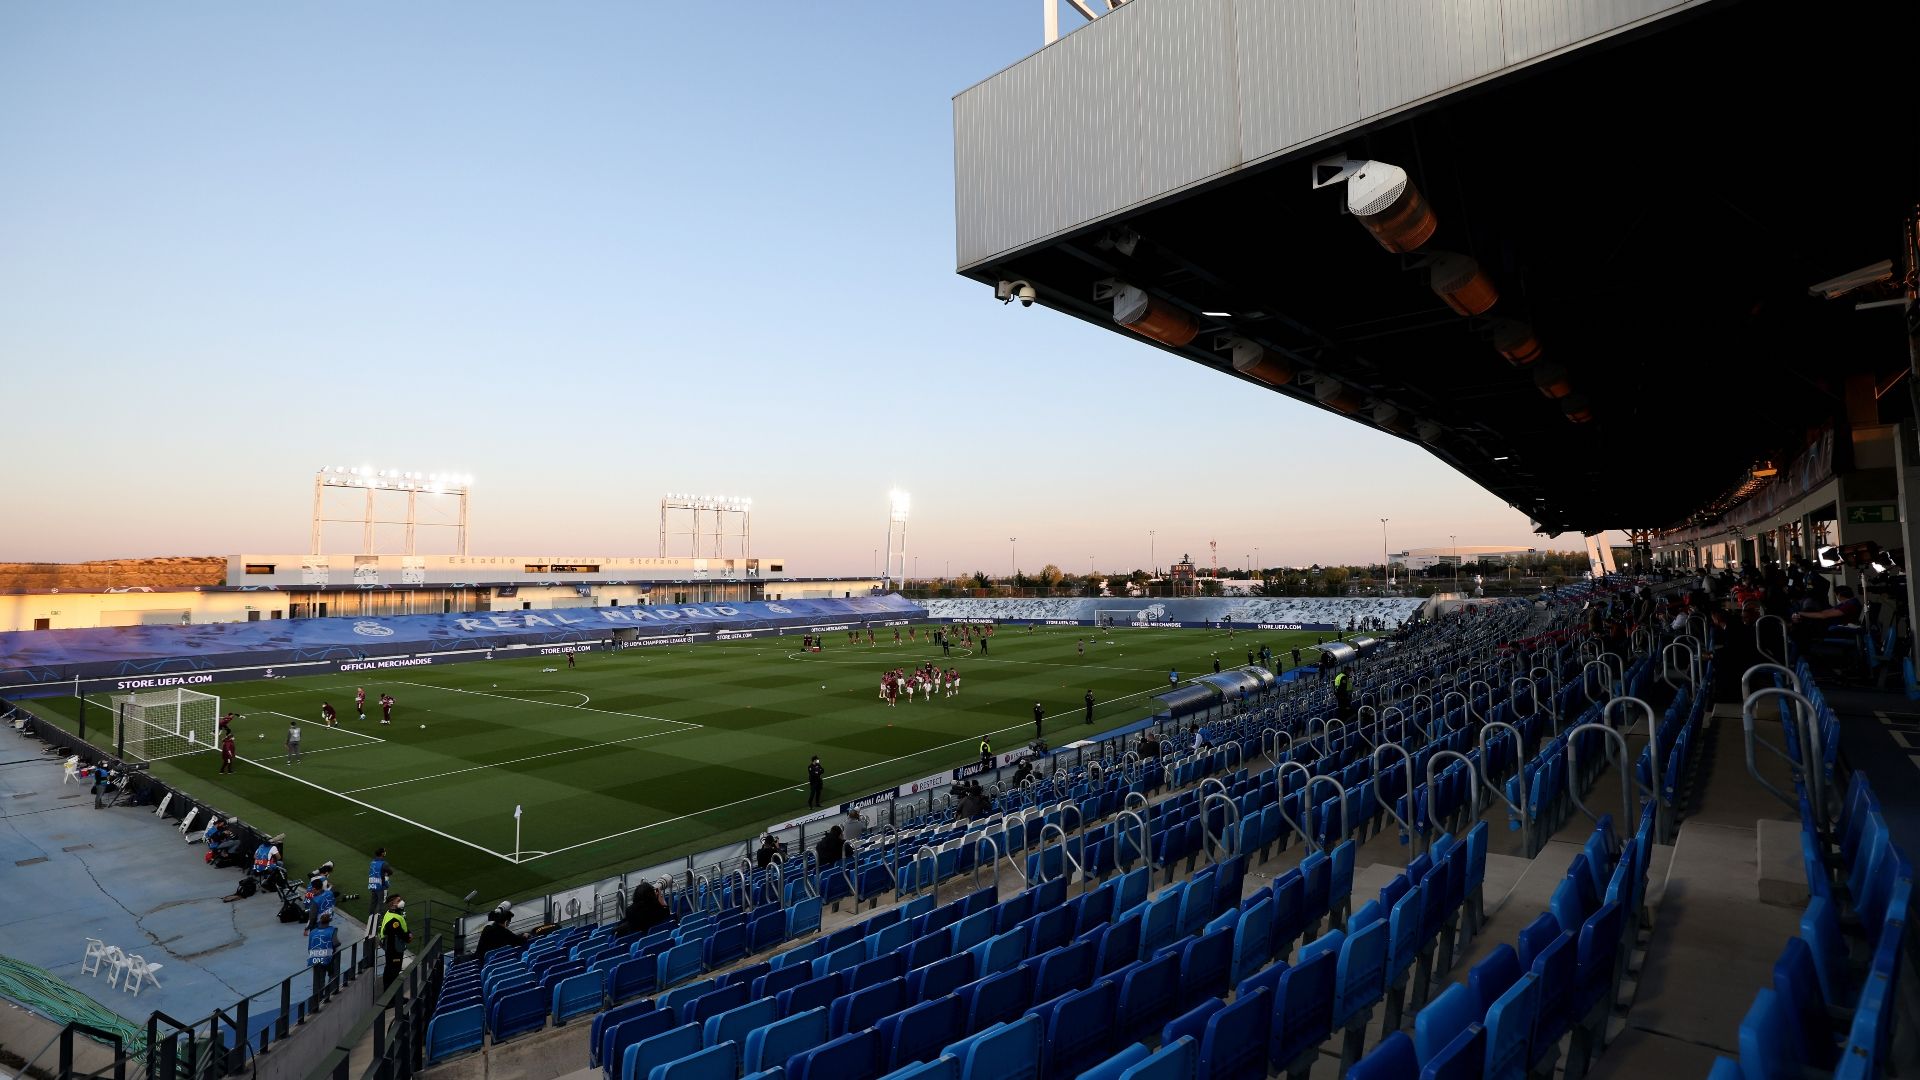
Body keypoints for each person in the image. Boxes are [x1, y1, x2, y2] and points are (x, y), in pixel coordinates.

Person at [307, 911, 338, 1003]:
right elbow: (336, 943)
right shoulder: (332, 930)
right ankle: (331, 992)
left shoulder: (313, 932)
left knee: (318, 979)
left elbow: (309, 947)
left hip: (314, 958)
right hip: (327, 958)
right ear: (329, 921)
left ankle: (317, 999)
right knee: (332, 974)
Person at [379, 897, 411, 989]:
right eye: (398, 901)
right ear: (392, 904)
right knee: (393, 971)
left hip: (392, 947)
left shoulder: (391, 914)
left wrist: (408, 933)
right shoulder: (393, 919)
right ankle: (392, 999)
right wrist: (408, 937)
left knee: (390, 970)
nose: (401, 902)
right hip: (394, 949)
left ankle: (392, 997)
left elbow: (402, 927)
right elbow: (399, 932)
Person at [367, 848, 392, 922]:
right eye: (384, 851)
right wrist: (386, 874)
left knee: (373, 903)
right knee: (382, 904)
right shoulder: (384, 864)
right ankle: (381, 921)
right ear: (382, 854)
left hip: (373, 885)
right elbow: (390, 872)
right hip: (381, 886)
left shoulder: (372, 862)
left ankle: (371, 918)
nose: (385, 852)